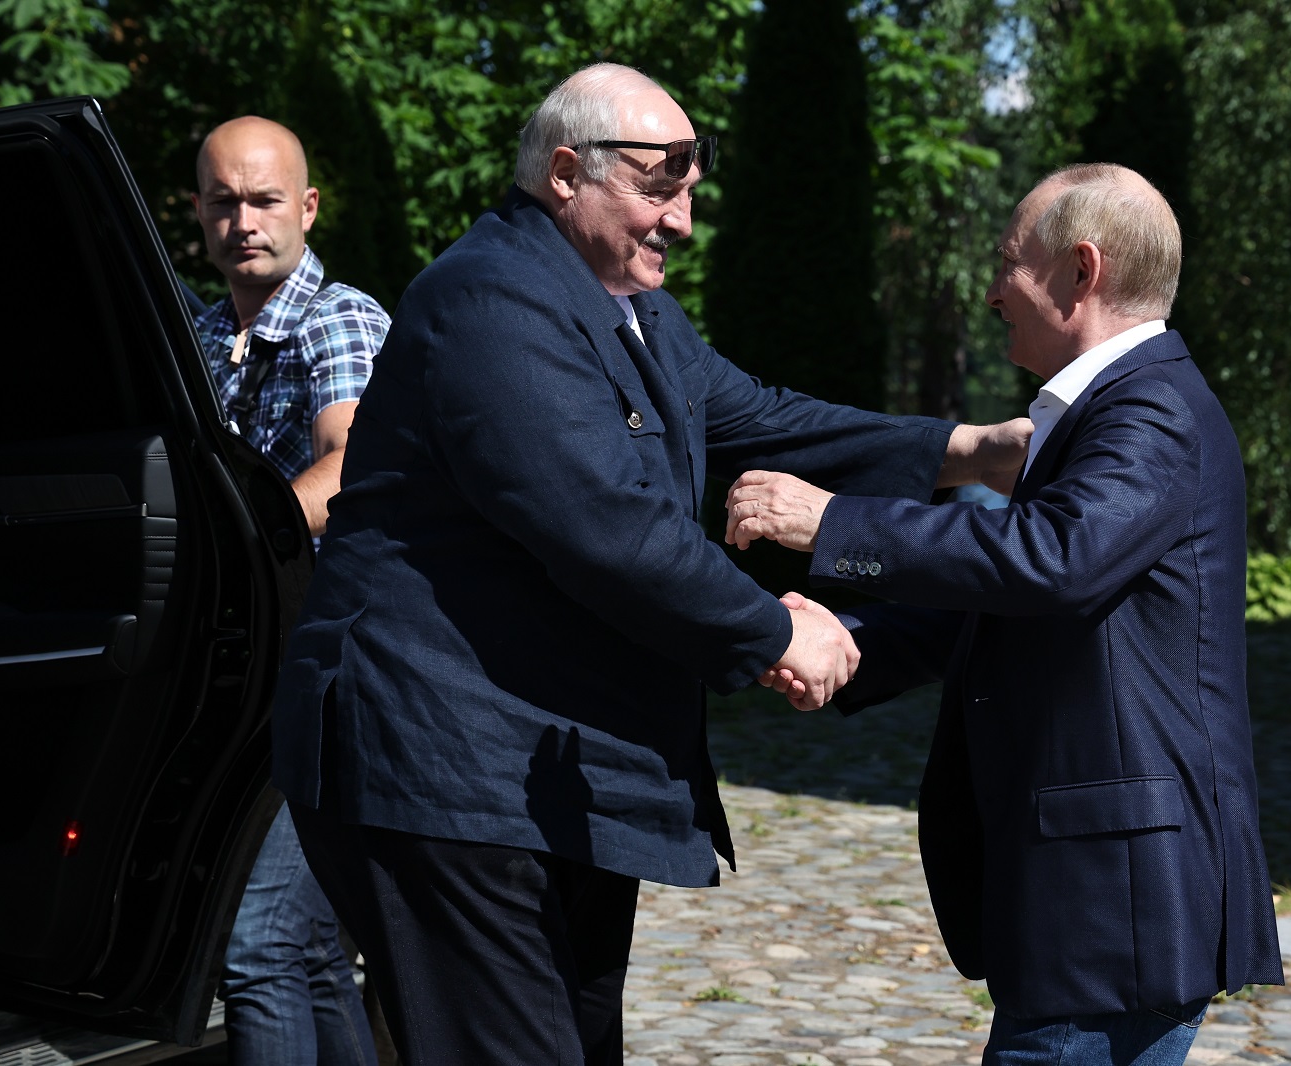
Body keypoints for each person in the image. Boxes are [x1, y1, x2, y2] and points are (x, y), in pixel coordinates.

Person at [269, 62, 1031, 1065]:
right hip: (440, 767)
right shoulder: (491, 300)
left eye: (690, 189)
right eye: (659, 182)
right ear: (566, 171)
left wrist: (966, 450)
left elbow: (763, 419)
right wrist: (778, 631)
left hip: (547, 771)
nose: (680, 217)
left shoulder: (631, 307)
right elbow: (605, 525)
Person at [726, 164, 1284, 1066]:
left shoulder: (1153, 411)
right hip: (1096, 912)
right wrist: (844, 643)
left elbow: (1050, 562)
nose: (992, 292)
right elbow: (1006, 604)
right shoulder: (1103, 410)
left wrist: (831, 521)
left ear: (1081, 269)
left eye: (1009, 263)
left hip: (1114, 909)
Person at [192, 115, 388, 1066]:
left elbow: (349, 464)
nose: (244, 221)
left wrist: (234, 542)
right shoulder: (193, 331)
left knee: (261, 945)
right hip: (251, 672)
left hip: (339, 672)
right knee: (309, 952)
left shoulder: (338, 317)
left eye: (265, 200)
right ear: (197, 211)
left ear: (306, 207)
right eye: (223, 201)